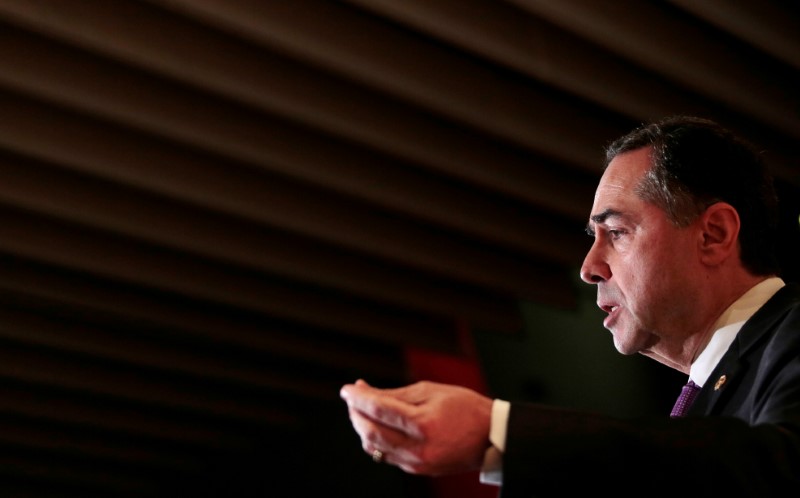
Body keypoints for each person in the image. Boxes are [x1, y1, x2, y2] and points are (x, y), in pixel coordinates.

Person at [339, 116, 800, 496]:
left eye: (616, 233)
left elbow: (778, 469)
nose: (589, 267)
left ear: (713, 234)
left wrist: (497, 431)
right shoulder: (703, 412)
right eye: (593, 238)